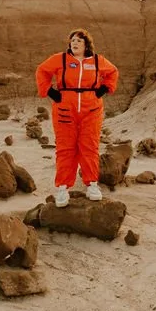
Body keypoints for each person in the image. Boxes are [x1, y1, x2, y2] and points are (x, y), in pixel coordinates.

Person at [35, 28, 119, 207]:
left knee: (89, 146)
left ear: (86, 44)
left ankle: (92, 185)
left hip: (91, 109)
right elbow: (42, 71)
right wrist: (50, 92)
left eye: (79, 40)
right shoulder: (60, 59)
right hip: (65, 107)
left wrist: (103, 90)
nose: (75, 43)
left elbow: (113, 72)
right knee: (66, 148)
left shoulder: (97, 61)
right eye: (72, 40)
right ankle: (63, 188)